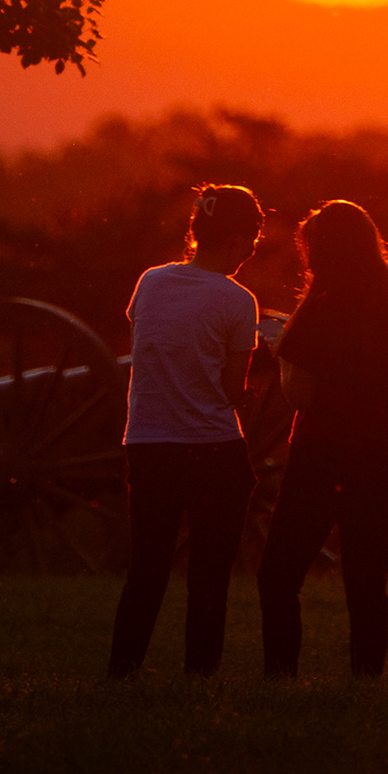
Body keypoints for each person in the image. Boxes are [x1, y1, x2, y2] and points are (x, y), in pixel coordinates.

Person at [257, 200, 388, 678]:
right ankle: (365, 680)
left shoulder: (319, 311)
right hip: (381, 457)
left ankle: (280, 677)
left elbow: (302, 395)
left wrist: (281, 350)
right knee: (366, 583)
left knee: (279, 576)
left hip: (321, 457)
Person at [106, 183, 262, 679]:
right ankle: (199, 677)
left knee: (146, 571)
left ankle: (122, 672)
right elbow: (231, 388)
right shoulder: (240, 301)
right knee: (209, 577)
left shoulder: (149, 282)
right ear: (238, 239)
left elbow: (153, 341)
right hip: (213, 447)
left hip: (148, 443)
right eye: (252, 241)